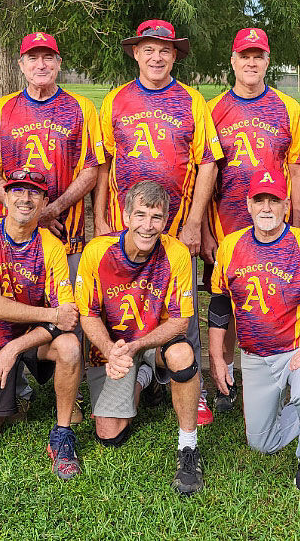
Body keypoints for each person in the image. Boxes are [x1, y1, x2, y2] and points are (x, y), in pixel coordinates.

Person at [94, 19, 223, 425]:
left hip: (176, 224)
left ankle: (193, 386)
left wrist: (194, 223)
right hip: (125, 226)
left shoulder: (192, 100)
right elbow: (103, 163)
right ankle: (131, 373)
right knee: (123, 301)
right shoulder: (115, 100)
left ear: (175, 56)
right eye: (148, 49)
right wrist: (99, 217)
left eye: (164, 50)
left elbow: (207, 163)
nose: (156, 56)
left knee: (184, 308)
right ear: (135, 53)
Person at [208, 168, 300, 491]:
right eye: (259, 200)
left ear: (287, 205)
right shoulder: (230, 246)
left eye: (274, 200)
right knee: (262, 443)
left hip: (299, 348)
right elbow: (219, 302)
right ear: (248, 204)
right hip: (254, 355)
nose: (266, 208)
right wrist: (217, 357)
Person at [76, 180, 205, 496]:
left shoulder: (176, 253)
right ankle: (145, 379)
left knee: (182, 355)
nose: (148, 226)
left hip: (152, 343)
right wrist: (110, 350)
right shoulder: (97, 251)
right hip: (114, 347)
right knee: (109, 435)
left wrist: (137, 346)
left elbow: (180, 321)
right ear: (125, 216)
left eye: (156, 217)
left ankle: (188, 447)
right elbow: (87, 315)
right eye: (141, 215)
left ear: (166, 220)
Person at [204, 28, 300, 412]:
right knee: (227, 302)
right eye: (244, 56)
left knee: (275, 297)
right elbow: (204, 173)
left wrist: (297, 226)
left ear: (267, 61)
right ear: (232, 61)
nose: (251, 63)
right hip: (226, 224)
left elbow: (296, 170)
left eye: (258, 56)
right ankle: (225, 378)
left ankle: (274, 376)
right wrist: (204, 230)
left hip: (275, 225)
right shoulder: (213, 109)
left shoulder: (287, 107)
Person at [0, 169, 85, 480]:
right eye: (17, 191)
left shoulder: (52, 246)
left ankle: (62, 434)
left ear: (44, 202)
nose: (25, 199)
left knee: (70, 346)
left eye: (34, 193)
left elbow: (67, 315)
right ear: (4, 197)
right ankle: (0, 395)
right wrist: (52, 315)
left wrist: (15, 347)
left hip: (32, 340)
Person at [0, 31, 102, 278]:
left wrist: (52, 210)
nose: (41, 65)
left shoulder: (81, 108)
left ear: (59, 63)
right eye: (33, 58)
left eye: (48, 58)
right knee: (12, 299)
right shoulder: (1, 110)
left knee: (65, 300)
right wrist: (26, 212)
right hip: (13, 236)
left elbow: (90, 171)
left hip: (65, 233)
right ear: (21, 65)